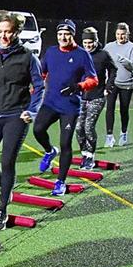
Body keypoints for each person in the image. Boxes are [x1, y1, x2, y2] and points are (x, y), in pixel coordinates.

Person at [0, 11, 45, 231]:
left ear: (16, 33)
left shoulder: (27, 57)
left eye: (8, 32)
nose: (3, 36)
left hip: (16, 115)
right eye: (0, 32)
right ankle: (6, 183)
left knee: (7, 162)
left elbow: (39, 87)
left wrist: (31, 112)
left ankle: (2, 210)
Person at [33, 19, 98, 196]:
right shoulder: (51, 52)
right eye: (60, 34)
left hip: (70, 107)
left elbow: (93, 79)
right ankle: (49, 151)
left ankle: (60, 182)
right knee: (38, 130)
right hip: (50, 102)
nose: (63, 37)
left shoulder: (82, 54)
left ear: (72, 35)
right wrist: (34, 87)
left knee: (65, 143)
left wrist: (78, 87)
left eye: (66, 34)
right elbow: (42, 73)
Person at [76, 27, 117, 169]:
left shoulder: (103, 55)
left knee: (88, 127)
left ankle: (90, 155)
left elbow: (113, 70)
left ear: (95, 41)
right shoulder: (80, 54)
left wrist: (108, 87)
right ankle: (84, 153)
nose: (87, 45)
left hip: (98, 96)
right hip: (81, 96)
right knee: (78, 128)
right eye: (85, 42)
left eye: (90, 42)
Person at [103, 22, 133, 147]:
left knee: (124, 109)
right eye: (118, 34)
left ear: (127, 34)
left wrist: (124, 61)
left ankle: (123, 133)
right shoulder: (108, 47)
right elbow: (103, 62)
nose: (120, 37)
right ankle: (109, 136)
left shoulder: (132, 47)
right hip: (112, 83)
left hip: (127, 84)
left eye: (123, 34)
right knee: (110, 109)